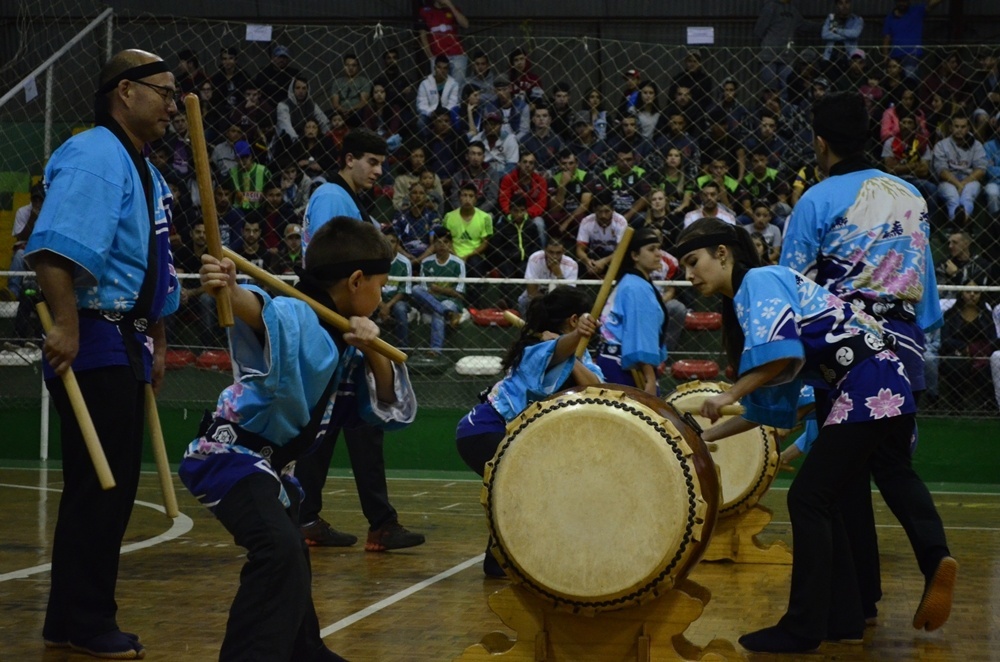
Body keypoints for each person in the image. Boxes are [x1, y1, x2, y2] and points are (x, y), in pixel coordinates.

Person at [677, 217, 955, 653]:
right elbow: (767, 406)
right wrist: (704, 436)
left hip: (866, 384)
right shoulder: (760, 293)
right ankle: (841, 617)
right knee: (831, 500)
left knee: (807, 497)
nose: (689, 275)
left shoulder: (760, 281)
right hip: (880, 381)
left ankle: (803, 627)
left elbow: (779, 356)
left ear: (723, 253)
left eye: (694, 262)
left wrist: (728, 391)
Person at [180, 218, 413, 661]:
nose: (382, 297)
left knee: (292, 561)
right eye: (381, 285)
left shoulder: (343, 333)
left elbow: (386, 404)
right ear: (357, 280)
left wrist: (371, 349)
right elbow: (258, 309)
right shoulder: (299, 313)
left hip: (269, 470)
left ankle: (305, 650)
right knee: (279, 551)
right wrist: (228, 288)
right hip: (229, 455)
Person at [23, 49, 182, 659]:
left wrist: (158, 338)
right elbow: (54, 248)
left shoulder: (140, 165)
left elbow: (152, 263)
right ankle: (91, 620)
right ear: (124, 91)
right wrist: (64, 324)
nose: (172, 104)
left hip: (126, 338)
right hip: (93, 337)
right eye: (162, 92)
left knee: (97, 487)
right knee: (102, 489)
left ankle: (66, 617)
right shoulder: (94, 154)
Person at [780, 92, 954, 635]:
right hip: (903, 345)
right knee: (890, 466)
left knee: (839, 480)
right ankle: (928, 558)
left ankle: (856, 601)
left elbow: (794, 286)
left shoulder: (815, 199)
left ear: (820, 141)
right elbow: (922, 283)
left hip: (847, 351)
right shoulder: (911, 195)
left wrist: (799, 372)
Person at [299, 129, 425, 551]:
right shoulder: (334, 198)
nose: (378, 170)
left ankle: (322, 515)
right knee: (335, 424)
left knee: (347, 424)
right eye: (370, 161)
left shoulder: (344, 199)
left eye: (382, 163)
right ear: (348, 159)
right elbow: (332, 268)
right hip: (341, 327)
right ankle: (359, 521)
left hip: (349, 324)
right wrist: (357, 321)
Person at [455, 286, 602, 576]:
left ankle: (501, 562)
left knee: (524, 488)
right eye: (586, 319)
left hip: (510, 434)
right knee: (523, 486)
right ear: (575, 320)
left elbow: (598, 386)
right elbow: (557, 353)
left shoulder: (573, 354)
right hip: (485, 430)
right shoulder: (536, 350)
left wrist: (570, 347)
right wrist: (572, 339)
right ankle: (503, 562)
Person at [594, 227, 669, 394]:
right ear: (635, 256)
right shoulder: (636, 287)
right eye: (651, 249)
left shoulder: (631, 282)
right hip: (624, 365)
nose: (658, 254)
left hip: (615, 359)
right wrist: (650, 377)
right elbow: (639, 332)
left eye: (659, 248)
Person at [411, 227, 466, 355]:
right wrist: (447, 290)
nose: (442, 246)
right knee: (416, 289)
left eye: (445, 242)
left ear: (450, 244)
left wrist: (438, 289)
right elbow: (424, 290)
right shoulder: (426, 262)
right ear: (433, 245)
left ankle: (435, 350)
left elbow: (458, 293)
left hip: (450, 301)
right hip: (431, 300)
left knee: (438, 312)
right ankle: (449, 313)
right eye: (439, 243)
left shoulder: (458, 264)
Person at [932, 114, 987, 227]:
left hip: (970, 180)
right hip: (947, 181)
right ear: (951, 128)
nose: (959, 130)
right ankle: (962, 224)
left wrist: (963, 184)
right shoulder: (941, 145)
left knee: (967, 196)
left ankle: (959, 223)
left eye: (963, 127)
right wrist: (958, 184)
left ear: (968, 128)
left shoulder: (976, 145)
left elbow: (981, 169)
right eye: (956, 126)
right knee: (952, 196)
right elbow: (941, 170)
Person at [882, 0, 945, 79]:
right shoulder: (890, 18)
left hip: (912, 55)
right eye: (900, 1)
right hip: (895, 57)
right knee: (894, 82)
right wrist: (885, 55)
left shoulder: (917, 11)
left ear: (909, 2)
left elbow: (931, 4)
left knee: (910, 79)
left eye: (904, 1)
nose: (902, 3)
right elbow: (886, 38)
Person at [442, 183, 493, 278]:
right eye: (464, 195)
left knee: (475, 263)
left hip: (474, 255)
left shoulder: (486, 218)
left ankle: (474, 291)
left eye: (471, 196)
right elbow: (446, 240)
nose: (467, 199)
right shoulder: (449, 216)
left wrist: (468, 256)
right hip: (452, 253)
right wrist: (455, 254)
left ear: (476, 199)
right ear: (459, 198)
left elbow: (485, 243)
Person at [416, 0, 470, 91]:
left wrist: (450, 5)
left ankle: (454, 105)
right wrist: (430, 56)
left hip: (457, 54)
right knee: (438, 88)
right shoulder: (425, 11)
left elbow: (466, 25)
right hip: (438, 56)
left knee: (457, 89)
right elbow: (423, 35)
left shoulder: (454, 9)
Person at [499, 151, 548, 246]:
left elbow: (542, 204)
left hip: (531, 216)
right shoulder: (508, 179)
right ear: (519, 163)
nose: (527, 165)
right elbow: (504, 200)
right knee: (500, 221)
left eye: (531, 163)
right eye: (525, 162)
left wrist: (526, 213)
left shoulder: (541, 181)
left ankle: (541, 255)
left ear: (534, 165)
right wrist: (513, 213)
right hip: (512, 214)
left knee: (539, 223)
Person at [575, 190, 628, 277]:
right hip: (594, 255)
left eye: (607, 211)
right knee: (579, 265)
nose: (603, 215)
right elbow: (579, 249)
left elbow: (620, 251)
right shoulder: (587, 221)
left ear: (613, 210)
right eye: (600, 212)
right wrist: (587, 261)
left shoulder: (621, 222)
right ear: (594, 210)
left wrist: (604, 262)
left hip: (613, 257)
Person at [519, 241, 579, 314]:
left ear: (564, 251)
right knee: (523, 300)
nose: (554, 257)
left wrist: (559, 274)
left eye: (558, 253)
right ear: (545, 250)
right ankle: (528, 324)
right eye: (551, 252)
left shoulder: (572, 265)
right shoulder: (535, 259)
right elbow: (531, 292)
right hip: (539, 295)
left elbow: (569, 294)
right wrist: (546, 302)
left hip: (559, 297)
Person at [547, 149, 594, 240]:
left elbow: (585, 205)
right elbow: (554, 209)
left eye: (571, 163)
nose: (567, 167)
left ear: (577, 164)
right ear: (559, 164)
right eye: (564, 163)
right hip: (562, 213)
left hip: (578, 214)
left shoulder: (586, 176)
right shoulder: (554, 180)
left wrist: (567, 222)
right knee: (551, 218)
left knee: (581, 220)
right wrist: (562, 186)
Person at [377, 227, 413, 348]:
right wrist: (381, 305)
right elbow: (371, 286)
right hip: (377, 299)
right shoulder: (375, 261)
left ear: (397, 244)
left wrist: (387, 306)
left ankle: (403, 348)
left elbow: (404, 289)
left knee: (400, 308)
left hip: (397, 300)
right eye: (386, 242)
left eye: (392, 242)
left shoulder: (404, 263)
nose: (389, 245)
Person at [449, 141, 500, 216]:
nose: (476, 158)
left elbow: (492, 199)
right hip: (461, 212)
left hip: (483, 212)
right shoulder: (458, 175)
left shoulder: (492, 174)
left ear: (483, 157)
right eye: (473, 153)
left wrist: (475, 213)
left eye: (479, 154)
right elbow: (454, 199)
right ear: (467, 156)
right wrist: (464, 212)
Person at [276, 75, 330, 141]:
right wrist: (297, 140)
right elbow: (286, 127)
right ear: (292, 89)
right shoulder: (283, 105)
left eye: (304, 88)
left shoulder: (312, 104)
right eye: (298, 88)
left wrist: (325, 137)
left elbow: (324, 121)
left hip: (307, 140)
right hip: (288, 142)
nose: (301, 91)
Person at [416, 55, 460, 133]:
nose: (442, 71)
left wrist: (443, 114)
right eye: (439, 67)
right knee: (421, 122)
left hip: (447, 115)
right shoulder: (425, 84)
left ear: (448, 70)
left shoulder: (454, 84)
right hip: (430, 115)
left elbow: (453, 103)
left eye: (445, 68)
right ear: (435, 68)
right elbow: (421, 104)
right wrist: (431, 113)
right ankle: (428, 143)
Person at [329, 53, 371, 123]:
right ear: (344, 66)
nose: (350, 68)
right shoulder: (337, 82)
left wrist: (351, 109)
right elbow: (335, 103)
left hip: (357, 111)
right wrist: (343, 110)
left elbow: (363, 102)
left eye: (353, 65)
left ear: (358, 67)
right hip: (340, 112)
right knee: (327, 114)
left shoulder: (363, 81)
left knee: (360, 114)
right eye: (347, 65)